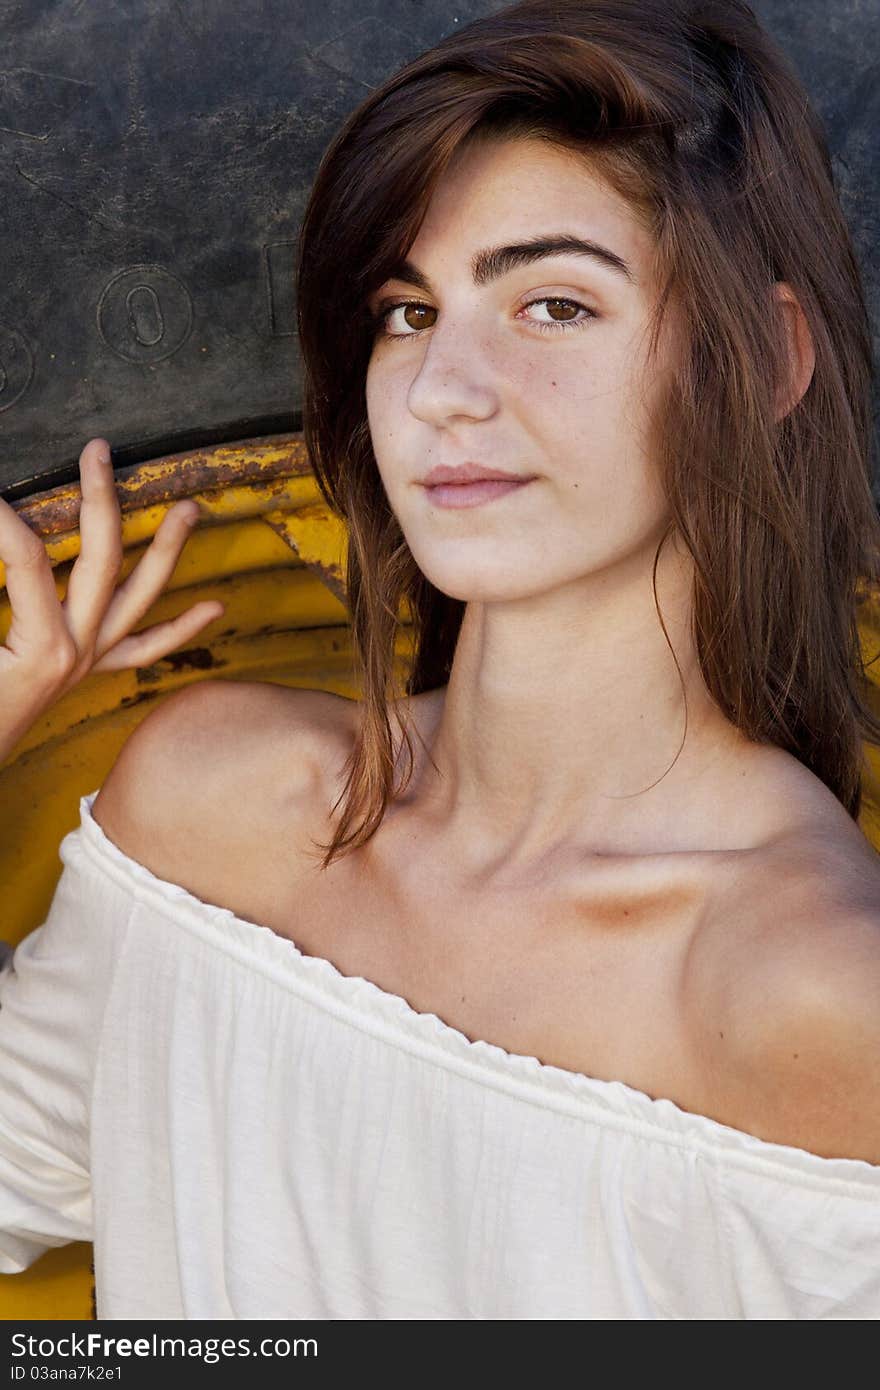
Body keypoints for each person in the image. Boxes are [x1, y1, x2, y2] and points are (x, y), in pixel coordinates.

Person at [1, 0, 879, 1320]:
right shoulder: (209, 807)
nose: (445, 388)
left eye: (555, 303)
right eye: (410, 310)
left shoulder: (809, 993)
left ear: (767, 360)